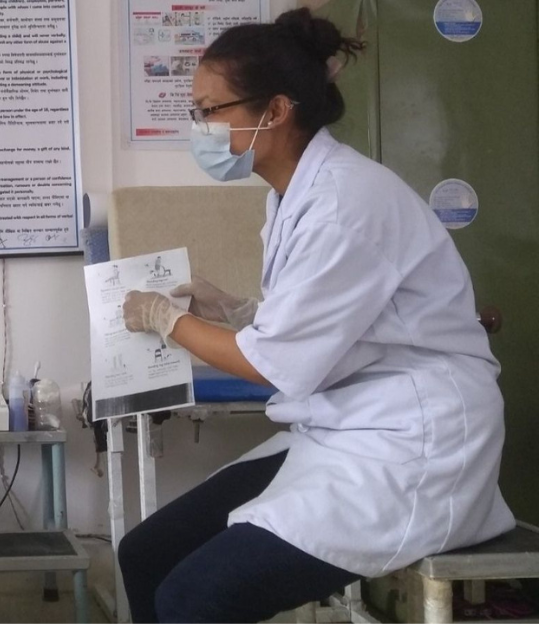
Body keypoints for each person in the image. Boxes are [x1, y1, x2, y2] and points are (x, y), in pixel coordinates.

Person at [119, 9, 514, 623]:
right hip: (343, 427)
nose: (200, 128)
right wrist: (238, 307)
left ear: (274, 111)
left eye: (210, 110)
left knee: (196, 597)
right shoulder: (295, 193)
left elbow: (271, 363)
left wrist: (165, 320)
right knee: (147, 553)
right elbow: (329, 319)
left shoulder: (342, 202)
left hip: (410, 445)